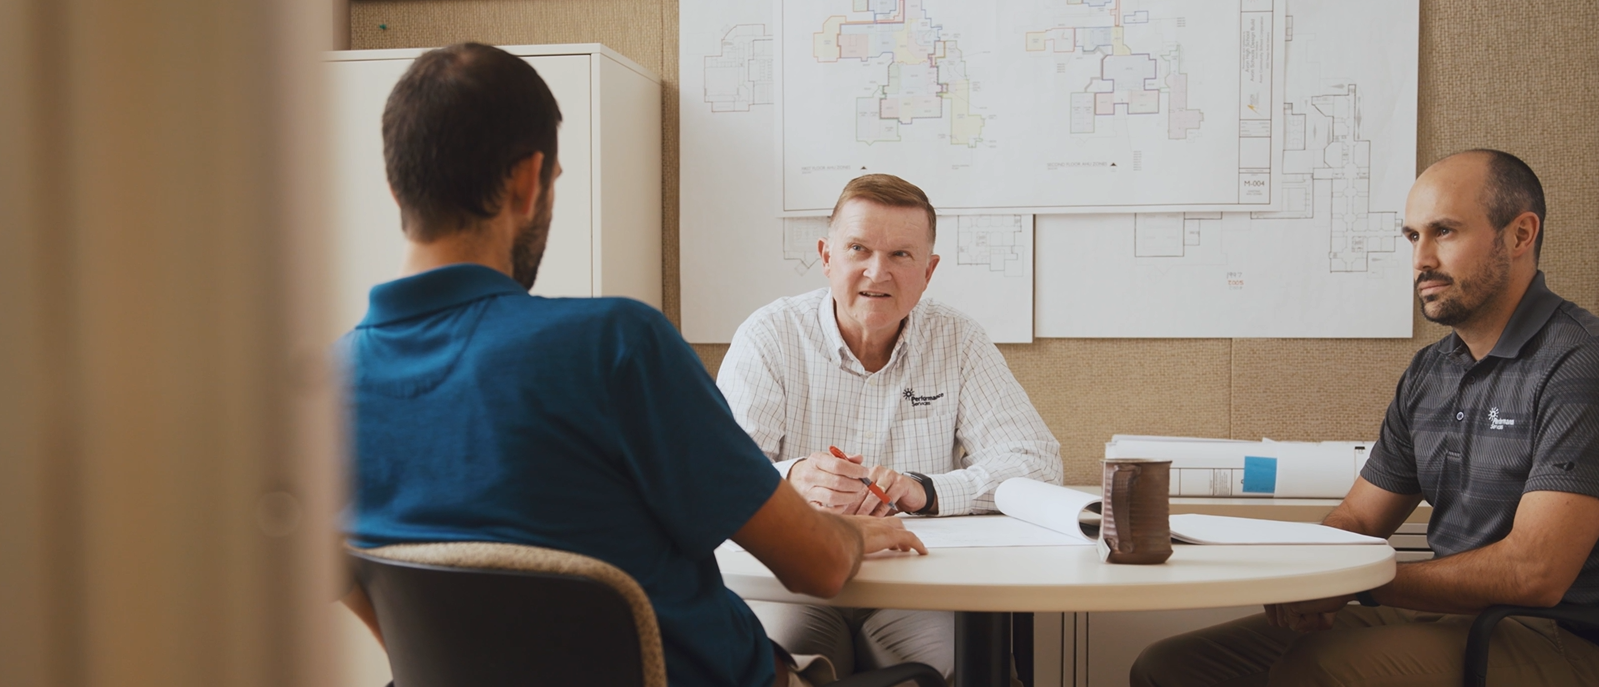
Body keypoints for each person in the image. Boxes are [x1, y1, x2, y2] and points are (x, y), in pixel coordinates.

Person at [335, 43, 926, 687]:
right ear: (530, 180)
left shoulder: (322, 387)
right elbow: (817, 568)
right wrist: (844, 533)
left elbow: (365, 592)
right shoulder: (614, 346)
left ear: (395, 183)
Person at [1130, 149, 1599, 686]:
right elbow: (1358, 519)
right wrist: (1307, 580)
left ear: (1520, 235)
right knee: (1170, 668)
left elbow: (1532, 573)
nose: (1421, 259)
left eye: (1443, 231)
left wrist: (1361, 584)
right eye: (1412, 237)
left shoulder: (1579, 363)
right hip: (1449, 618)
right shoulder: (1431, 370)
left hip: (1556, 634)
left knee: (1318, 671)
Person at [717, 173, 1063, 680]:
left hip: (918, 584)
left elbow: (1037, 462)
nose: (877, 273)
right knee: (781, 666)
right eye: (858, 248)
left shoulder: (958, 339)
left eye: (901, 255)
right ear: (827, 256)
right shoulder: (770, 336)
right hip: (797, 581)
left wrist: (927, 489)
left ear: (928, 271)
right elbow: (718, 478)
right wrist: (791, 478)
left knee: (963, 670)